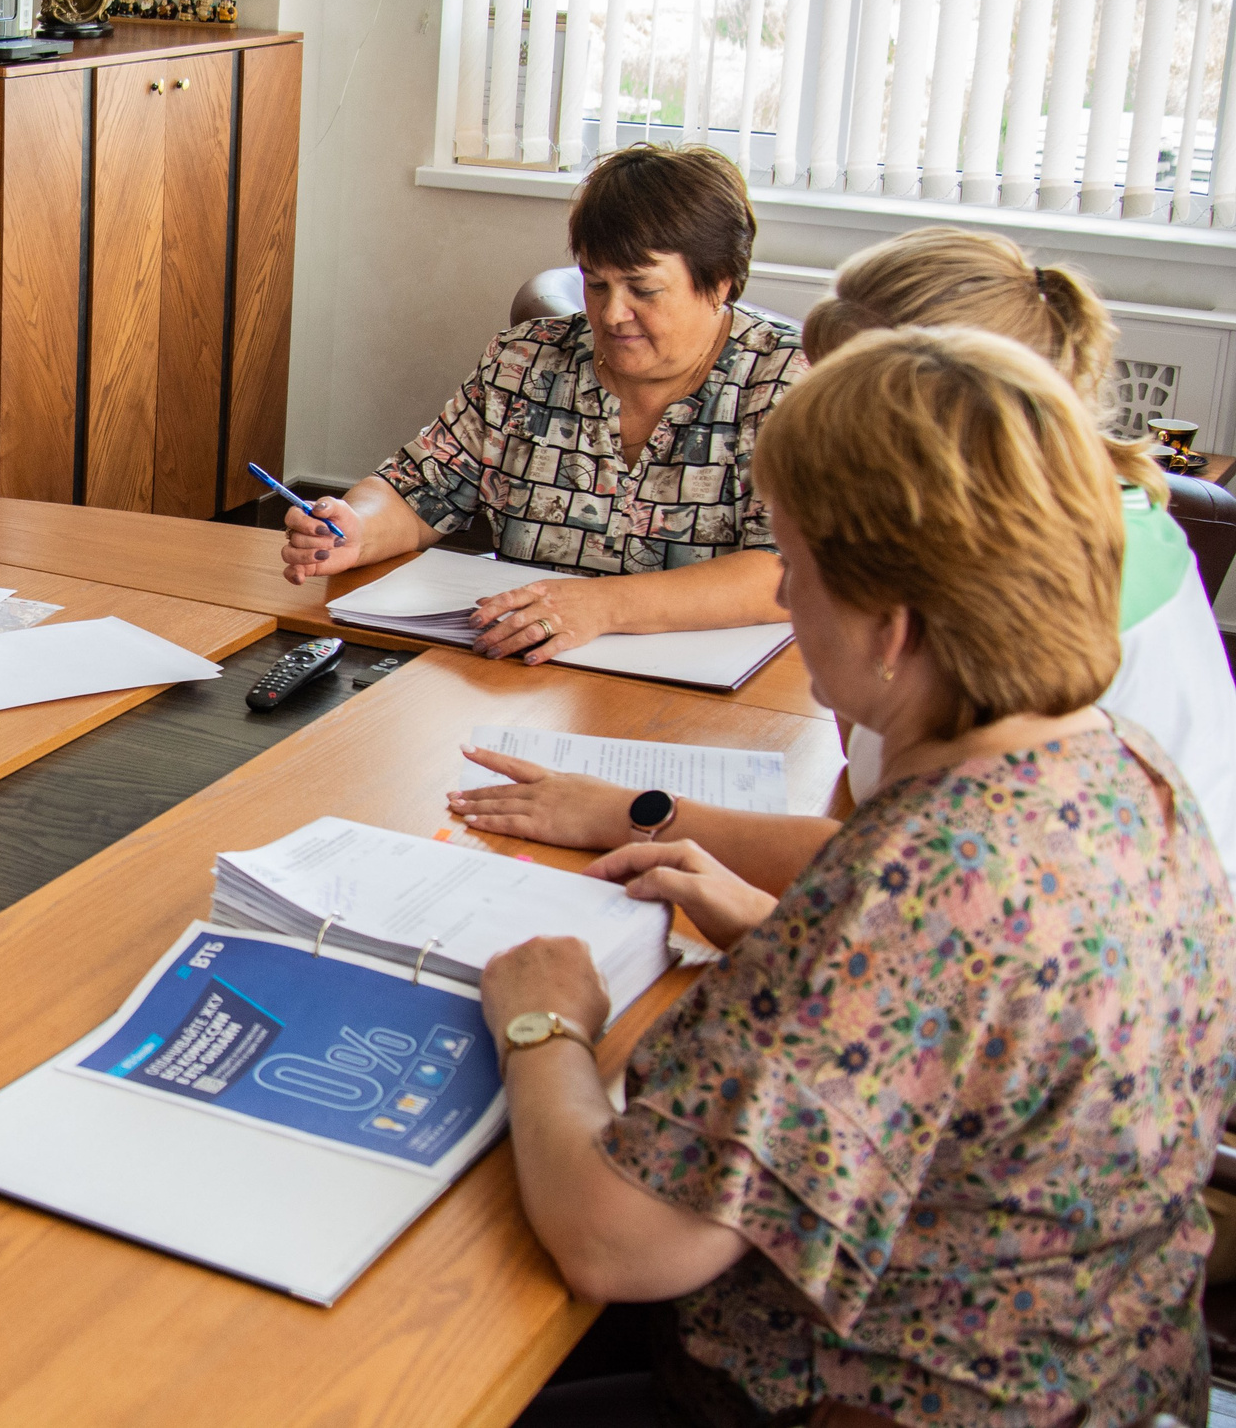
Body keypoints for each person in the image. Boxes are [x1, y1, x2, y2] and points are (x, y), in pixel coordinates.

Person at [487, 328, 1234, 1426]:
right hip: (1097, 1369)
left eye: (792, 567)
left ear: (890, 626)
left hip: (869, 1393)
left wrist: (542, 1025)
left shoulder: (925, 877)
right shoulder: (1119, 765)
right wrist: (775, 933)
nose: (783, 600)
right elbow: (964, 1024)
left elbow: (618, 1240)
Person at [450, 224, 1236, 885]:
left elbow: (900, 872)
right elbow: (875, 802)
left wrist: (630, 813)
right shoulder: (1001, 514)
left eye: (842, 397)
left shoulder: (1030, 588)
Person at [281, 143, 803, 663]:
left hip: (705, 682)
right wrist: (356, 528)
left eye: (643, 290)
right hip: (522, 667)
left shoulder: (789, 383)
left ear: (720, 282)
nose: (613, 313)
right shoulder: (526, 360)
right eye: (596, 284)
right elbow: (418, 489)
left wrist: (603, 607)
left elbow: (796, 567)